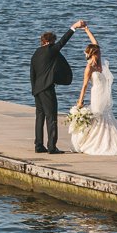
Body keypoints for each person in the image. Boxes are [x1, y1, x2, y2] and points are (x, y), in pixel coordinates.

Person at [70, 25, 117, 155]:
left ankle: (112, 142)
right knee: (99, 116)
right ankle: (93, 143)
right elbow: (84, 86)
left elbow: (95, 43)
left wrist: (87, 30)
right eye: (97, 54)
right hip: (96, 95)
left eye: (99, 53)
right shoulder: (89, 68)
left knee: (107, 115)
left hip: (105, 94)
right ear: (91, 54)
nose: (99, 55)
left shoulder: (101, 63)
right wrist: (80, 102)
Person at [30, 19, 85, 154]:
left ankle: (38, 145)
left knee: (40, 117)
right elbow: (63, 42)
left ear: (42, 41)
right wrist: (74, 27)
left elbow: (32, 73)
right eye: (53, 42)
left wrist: (34, 90)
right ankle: (52, 147)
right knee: (51, 117)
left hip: (37, 90)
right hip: (47, 89)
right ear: (50, 42)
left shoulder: (36, 53)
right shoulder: (50, 50)